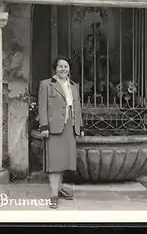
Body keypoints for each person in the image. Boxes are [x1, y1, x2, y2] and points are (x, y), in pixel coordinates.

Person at [38, 56, 84, 209]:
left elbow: (77, 108)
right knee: (55, 162)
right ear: (55, 68)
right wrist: (44, 126)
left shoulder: (74, 86)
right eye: (60, 66)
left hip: (69, 127)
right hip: (54, 128)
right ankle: (53, 195)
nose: (63, 69)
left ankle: (58, 188)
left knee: (64, 161)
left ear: (69, 69)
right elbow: (42, 107)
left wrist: (80, 127)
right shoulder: (46, 85)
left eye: (66, 66)